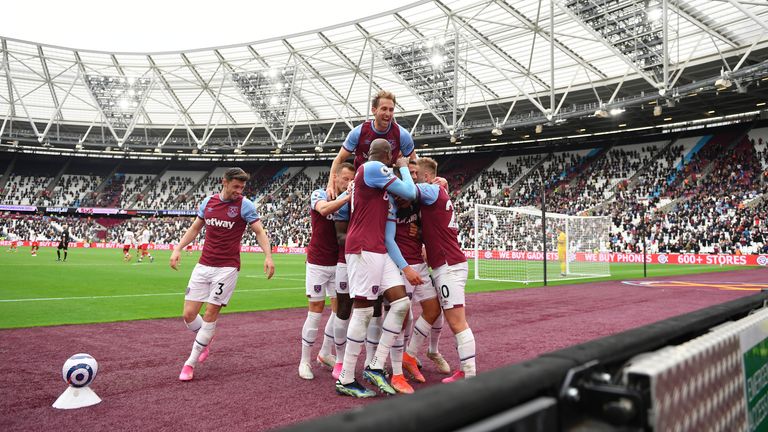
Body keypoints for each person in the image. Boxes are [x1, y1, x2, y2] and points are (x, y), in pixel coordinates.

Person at [335, 139, 423, 398]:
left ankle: (375, 365)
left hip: (379, 251)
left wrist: (404, 267)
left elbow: (389, 234)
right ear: (387, 155)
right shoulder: (371, 168)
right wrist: (404, 165)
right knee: (362, 311)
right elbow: (411, 192)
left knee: (401, 304)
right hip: (363, 248)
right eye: (392, 158)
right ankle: (346, 377)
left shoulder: (385, 197)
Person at [170, 168, 275, 382]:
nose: (239, 191)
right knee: (189, 315)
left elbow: (259, 231)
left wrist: (268, 256)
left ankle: (189, 363)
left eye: (242, 187)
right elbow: (195, 228)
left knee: (210, 313)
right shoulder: (208, 202)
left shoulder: (245, 205)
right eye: (236, 186)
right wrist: (177, 248)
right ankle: (206, 337)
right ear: (224, 182)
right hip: (203, 265)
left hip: (227, 268)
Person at [413, 157, 476, 383]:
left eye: (416, 175)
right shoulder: (438, 193)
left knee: (458, 322)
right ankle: (463, 368)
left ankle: (469, 373)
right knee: (450, 317)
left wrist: (400, 166)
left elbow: (406, 189)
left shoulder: (431, 191)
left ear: (427, 178)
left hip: (448, 266)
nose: (413, 178)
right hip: (448, 264)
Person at [299, 162, 355, 380]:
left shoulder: (350, 202)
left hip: (340, 262)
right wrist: (346, 197)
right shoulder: (320, 194)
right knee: (315, 309)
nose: (349, 183)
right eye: (345, 179)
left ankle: (325, 352)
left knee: (339, 310)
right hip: (318, 261)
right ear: (335, 178)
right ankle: (304, 361)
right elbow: (323, 209)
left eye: (352, 180)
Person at [397, 161, 450, 381]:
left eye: (417, 172)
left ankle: (410, 356)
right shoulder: (394, 196)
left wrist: (419, 234)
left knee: (433, 308)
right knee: (398, 316)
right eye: (411, 172)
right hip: (400, 265)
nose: (415, 175)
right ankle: (386, 363)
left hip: (418, 262)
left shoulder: (421, 200)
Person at [325, 90, 417, 200]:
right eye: (384, 109)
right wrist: (330, 185)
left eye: (391, 110)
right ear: (374, 110)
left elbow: (414, 161)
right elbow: (339, 159)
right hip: (362, 182)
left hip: (389, 182)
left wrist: (414, 189)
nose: (388, 114)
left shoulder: (402, 134)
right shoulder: (358, 132)